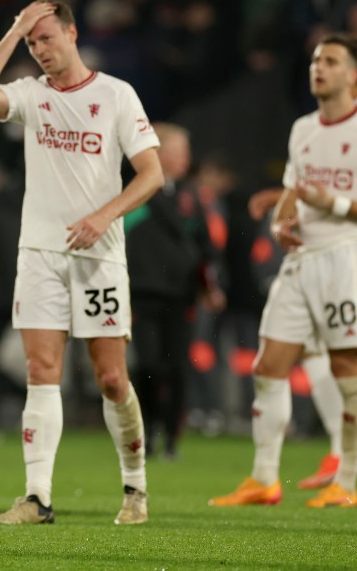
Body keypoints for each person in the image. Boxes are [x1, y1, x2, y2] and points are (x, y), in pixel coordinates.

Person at [0, 0, 164, 526]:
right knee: (39, 370)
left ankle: (136, 488)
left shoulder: (116, 95)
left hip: (99, 255)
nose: (40, 49)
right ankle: (37, 497)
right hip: (40, 253)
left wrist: (104, 215)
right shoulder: (31, 95)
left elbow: (151, 174)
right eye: (33, 43)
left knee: (112, 380)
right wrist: (14, 30)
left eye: (47, 37)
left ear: (73, 33)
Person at [210, 33, 357, 509]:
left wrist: (333, 203)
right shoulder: (303, 129)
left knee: (347, 368)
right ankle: (264, 479)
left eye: (331, 61)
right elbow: (294, 191)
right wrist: (280, 223)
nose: (319, 67)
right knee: (268, 365)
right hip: (301, 262)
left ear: (352, 74)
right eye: (317, 60)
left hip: (346, 257)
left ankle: (347, 482)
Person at [126, 123, 225, 460]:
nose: (187, 159)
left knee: (179, 366)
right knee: (148, 364)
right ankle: (147, 430)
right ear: (160, 152)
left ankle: (171, 436)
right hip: (142, 292)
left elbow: (205, 248)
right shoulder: (133, 189)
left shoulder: (190, 195)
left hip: (180, 295)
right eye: (181, 151)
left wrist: (209, 286)